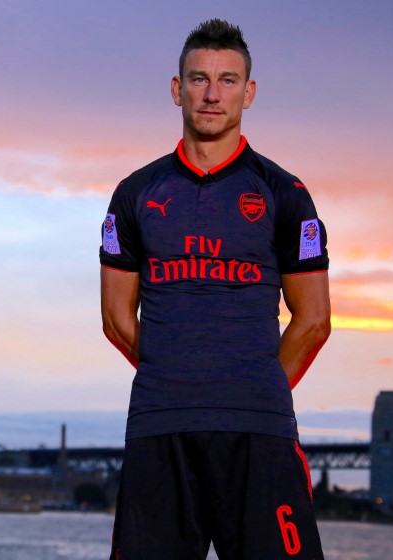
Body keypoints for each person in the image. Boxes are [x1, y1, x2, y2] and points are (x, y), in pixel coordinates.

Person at [99, 19, 331, 560]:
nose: (211, 93)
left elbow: (314, 319)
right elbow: (115, 317)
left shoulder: (284, 193)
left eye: (227, 81)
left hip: (258, 431)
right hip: (161, 427)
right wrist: (181, 376)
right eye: (199, 79)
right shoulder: (135, 193)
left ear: (248, 93)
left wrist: (253, 386)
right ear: (177, 89)